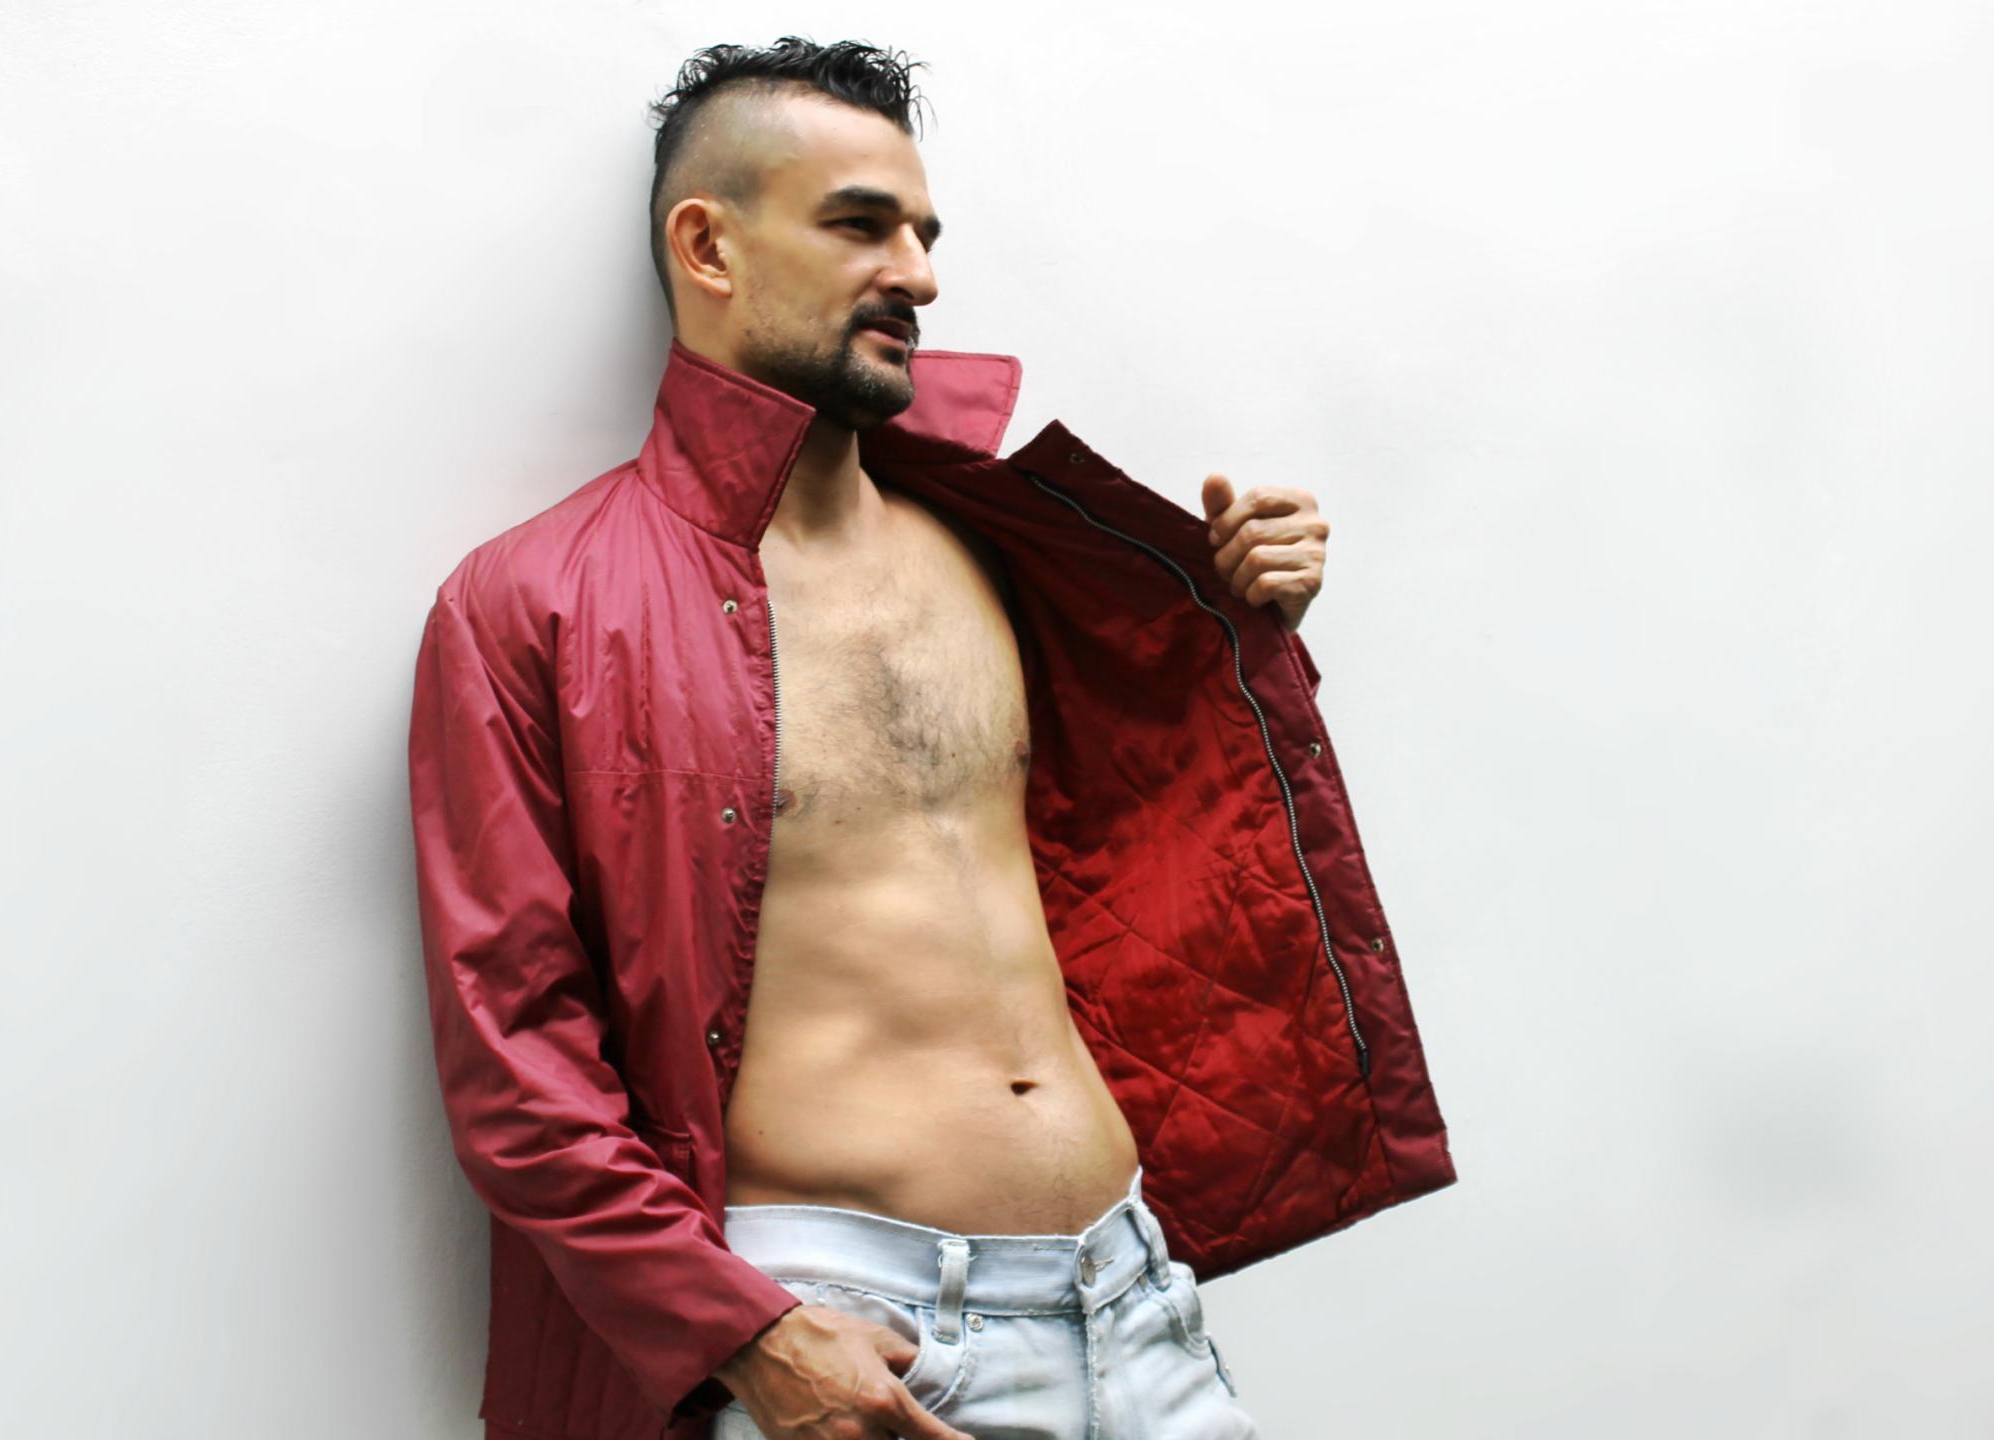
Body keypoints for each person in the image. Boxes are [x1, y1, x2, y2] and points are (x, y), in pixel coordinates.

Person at [406, 35, 1456, 1440]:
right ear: (708, 247)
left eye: (923, 231)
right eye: (861, 225)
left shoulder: (1012, 547)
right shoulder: (535, 604)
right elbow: (517, 1063)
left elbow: (1157, 844)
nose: (919, 273)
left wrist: (1240, 621)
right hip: (867, 1345)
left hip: (1137, 1299)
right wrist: (750, 1337)